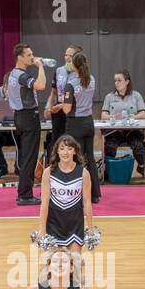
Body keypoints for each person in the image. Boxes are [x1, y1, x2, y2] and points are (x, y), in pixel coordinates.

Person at [38, 135, 94, 249]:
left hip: (75, 224)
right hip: (54, 223)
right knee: (55, 264)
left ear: (75, 151)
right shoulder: (48, 172)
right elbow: (44, 203)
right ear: (57, 151)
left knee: (75, 262)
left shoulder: (84, 173)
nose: (65, 152)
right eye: (62, 148)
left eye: (69, 148)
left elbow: (87, 203)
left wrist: (91, 227)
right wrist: (42, 229)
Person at [8, 43, 46, 205]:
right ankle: (25, 195)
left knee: (26, 157)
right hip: (28, 117)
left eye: (32, 54)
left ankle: (24, 192)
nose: (32, 57)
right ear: (20, 57)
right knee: (29, 158)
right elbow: (41, 85)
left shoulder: (13, 74)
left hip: (21, 116)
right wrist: (40, 67)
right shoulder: (21, 76)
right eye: (29, 55)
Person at [59, 53, 100, 202]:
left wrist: (63, 101)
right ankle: (95, 194)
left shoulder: (71, 84)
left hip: (75, 124)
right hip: (89, 121)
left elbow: (67, 109)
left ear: (74, 65)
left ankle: (79, 194)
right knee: (90, 158)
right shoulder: (91, 79)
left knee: (78, 159)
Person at [100, 69, 145, 178]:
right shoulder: (109, 97)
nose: (116, 83)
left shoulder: (136, 96)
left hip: (132, 130)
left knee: (138, 146)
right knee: (110, 147)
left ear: (127, 81)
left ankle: (141, 167)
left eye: (119, 80)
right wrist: (112, 117)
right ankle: (108, 172)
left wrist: (132, 116)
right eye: (115, 80)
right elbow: (103, 115)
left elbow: (143, 114)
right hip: (115, 130)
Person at [45, 44, 79, 156]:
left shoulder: (80, 73)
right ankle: (54, 168)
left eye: (71, 55)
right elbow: (53, 93)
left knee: (72, 142)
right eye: (66, 55)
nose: (67, 57)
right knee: (57, 140)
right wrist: (48, 107)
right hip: (58, 110)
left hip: (74, 109)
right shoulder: (59, 71)